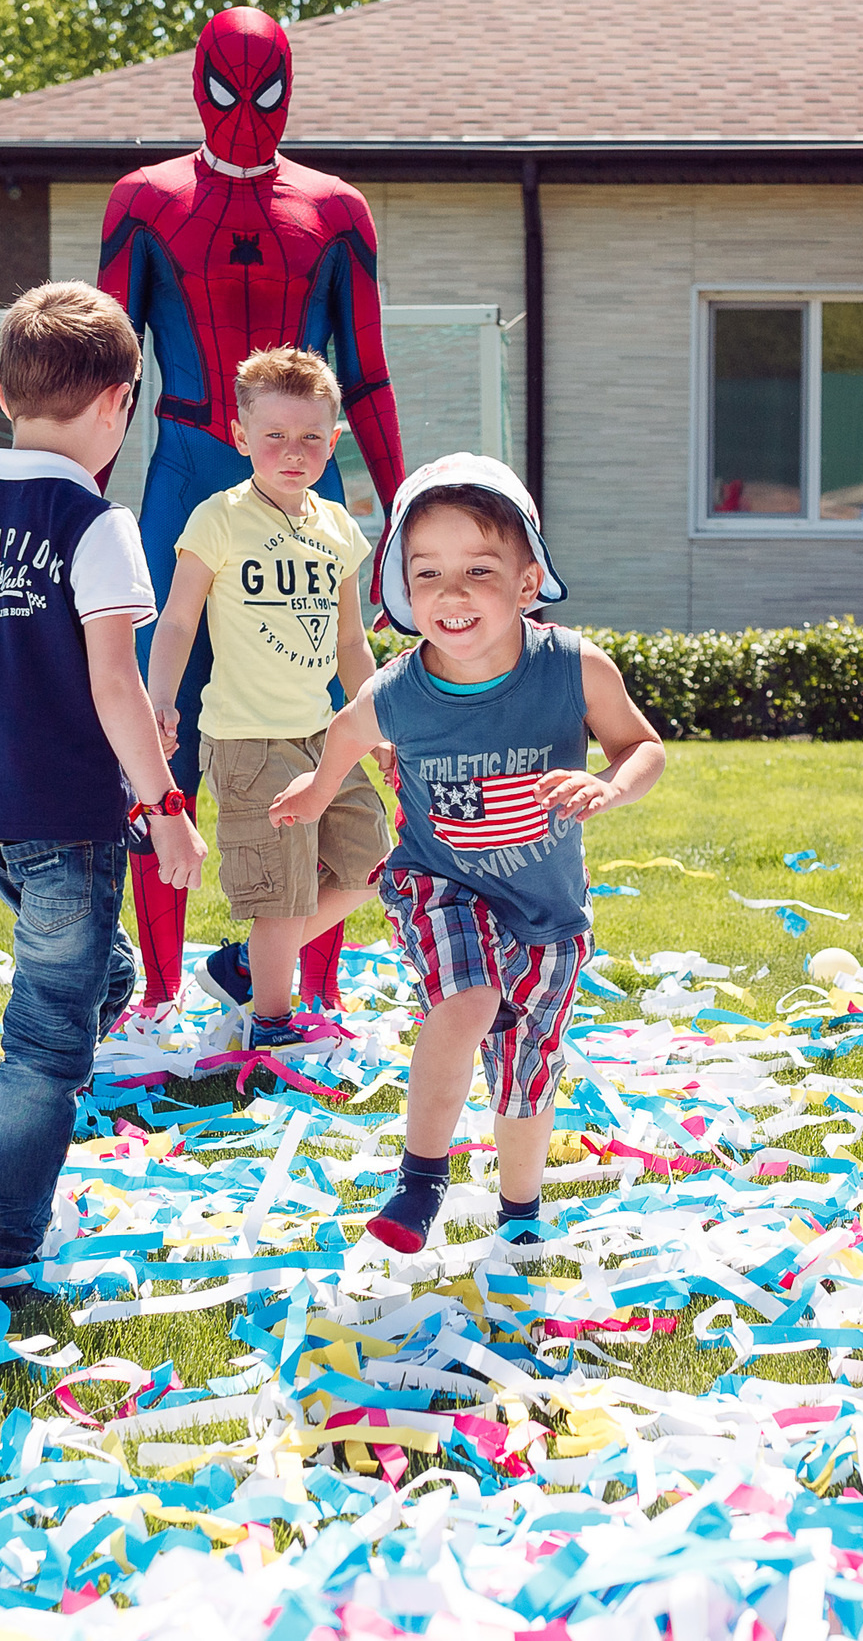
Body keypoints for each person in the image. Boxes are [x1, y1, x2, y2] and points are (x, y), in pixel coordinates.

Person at [0, 281, 206, 1297]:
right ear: (119, 403)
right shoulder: (95, 524)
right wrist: (165, 809)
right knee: (50, 1041)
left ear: (7, 396)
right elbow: (114, 682)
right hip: (71, 824)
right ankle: (8, 1239)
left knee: (97, 983)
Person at [267, 454, 666, 1254]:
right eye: (429, 574)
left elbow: (642, 745)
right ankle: (421, 1180)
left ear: (527, 583)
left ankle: (520, 1212)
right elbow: (347, 731)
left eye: (478, 570)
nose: (451, 593)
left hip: (550, 914)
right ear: (404, 594)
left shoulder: (573, 667)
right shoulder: (399, 689)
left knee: (526, 1082)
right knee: (468, 1001)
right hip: (439, 884)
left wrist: (611, 786)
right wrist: (318, 788)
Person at [101, 7, 409, 1023]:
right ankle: (154, 988)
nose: (245, 115)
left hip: (297, 486)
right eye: (227, 93)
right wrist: (81, 509)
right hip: (186, 474)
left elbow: (361, 376)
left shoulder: (336, 212)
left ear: (291, 88)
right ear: (196, 84)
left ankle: (300, 982)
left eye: (264, 93)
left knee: (322, 718)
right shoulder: (145, 202)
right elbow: (111, 373)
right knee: (158, 724)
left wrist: (400, 510)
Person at [144, 348, 391, 1051]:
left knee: (374, 862)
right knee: (281, 892)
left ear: (333, 439)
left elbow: (350, 645)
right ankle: (273, 1027)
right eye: (275, 435)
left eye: (312, 436)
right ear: (239, 432)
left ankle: (246, 963)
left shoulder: (339, 528)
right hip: (250, 741)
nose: (294, 451)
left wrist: (376, 725)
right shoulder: (218, 518)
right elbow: (179, 621)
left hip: (324, 738)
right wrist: (161, 700)